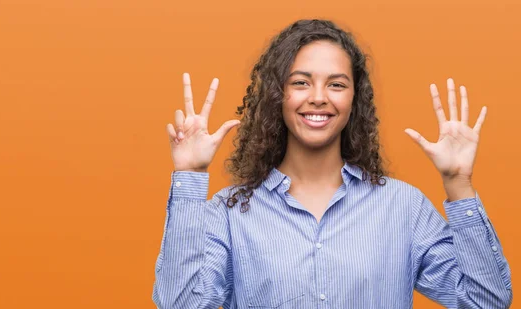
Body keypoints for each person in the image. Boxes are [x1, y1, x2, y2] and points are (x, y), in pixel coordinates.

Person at [152, 19, 512, 309]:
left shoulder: (404, 207)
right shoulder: (230, 213)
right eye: (301, 82)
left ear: (355, 99)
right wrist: (190, 176)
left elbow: (487, 302)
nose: (319, 98)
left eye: (337, 84)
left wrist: (458, 183)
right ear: (279, 95)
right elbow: (178, 304)